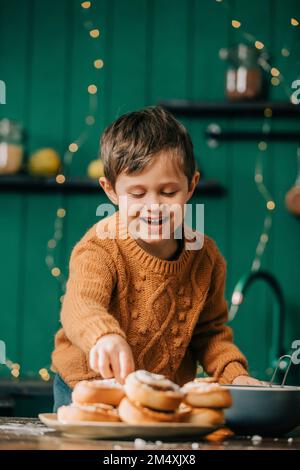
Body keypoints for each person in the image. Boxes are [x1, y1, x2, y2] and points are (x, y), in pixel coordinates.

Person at [51, 106, 261, 412]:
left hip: (161, 393)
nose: (154, 206)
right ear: (110, 191)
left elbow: (210, 334)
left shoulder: (206, 258)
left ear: (191, 186)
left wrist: (235, 376)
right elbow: (80, 305)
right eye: (137, 194)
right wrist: (104, 335)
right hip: (88, 386)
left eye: (168, 192)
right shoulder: (99, 247)